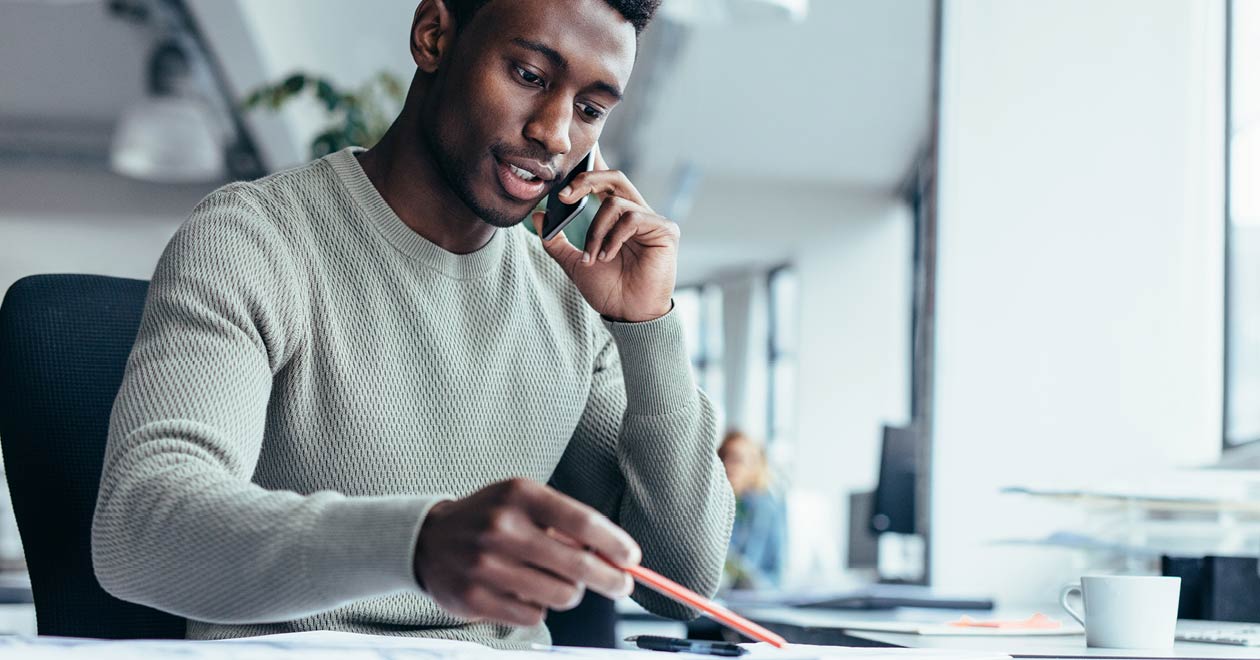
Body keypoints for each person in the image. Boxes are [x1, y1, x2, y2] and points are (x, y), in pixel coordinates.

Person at [90, 0, 734, 647]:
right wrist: (415, 543)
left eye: (590, 109)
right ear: (433, 37)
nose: (556, 133)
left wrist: (647, 323)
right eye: (530, 76)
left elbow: (679, 580)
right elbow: (138, 528)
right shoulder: (256, 239)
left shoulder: (564, 291)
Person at [717, 430, 784, 590]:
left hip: (753, 592)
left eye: (738, 460)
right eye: (725, 457)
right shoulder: (713, 504)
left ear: (755, 467)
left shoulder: (765, 507)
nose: (730, 465)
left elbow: (754, 571)